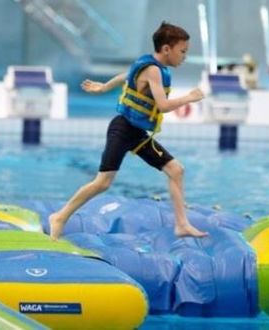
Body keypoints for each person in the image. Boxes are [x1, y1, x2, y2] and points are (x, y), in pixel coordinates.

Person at [49, 22, 208, 241]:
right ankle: (59, 217)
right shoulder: (153, 70)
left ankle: (182, 224)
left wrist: (104, 87)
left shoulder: (148, 65)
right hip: (123, 129)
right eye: (183, 51)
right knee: (102, 183)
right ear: (166, 49)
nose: (184, 57)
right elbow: (162, 106)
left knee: (176, 170)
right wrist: (189, 98)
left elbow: (126, 75)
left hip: (136, 133)